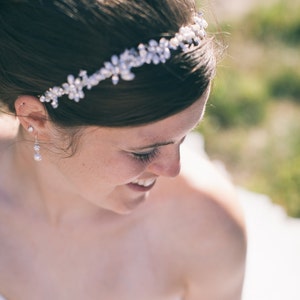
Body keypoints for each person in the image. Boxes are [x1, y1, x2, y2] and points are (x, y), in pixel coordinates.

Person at [0, 1, 246, 299]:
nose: (172, 169)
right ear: (36, 119)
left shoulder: (205, 230)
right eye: (143, 152)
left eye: (183, 137)